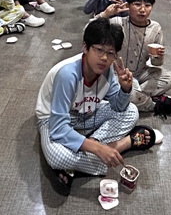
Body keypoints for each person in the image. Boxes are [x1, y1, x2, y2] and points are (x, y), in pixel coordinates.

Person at [35, 18, 155, 195]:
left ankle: (75, 164)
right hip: (52, 119)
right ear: (85, 47)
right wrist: (99, 149)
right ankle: (123, 145)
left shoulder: (107, 70)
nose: (104, 58)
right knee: (57, 157)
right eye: (99, 50)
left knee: (132, 111)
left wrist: (125, 88)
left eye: (110, 53)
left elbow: (119, 107)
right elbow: (58, 127)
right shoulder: (68, 74)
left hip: (85, 114)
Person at [99, 0, 171, 117]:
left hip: (141, 73)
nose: (142, 9)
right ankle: (154, 104)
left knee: (169, 78)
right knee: (110, 85)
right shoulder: (117, 23)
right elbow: (88, 33)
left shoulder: (155, 28)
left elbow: (156, 64)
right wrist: (105, 15)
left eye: (147, 5)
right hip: (117, 74)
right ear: (128, 6)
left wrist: (158, 57)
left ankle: (133, 97)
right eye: (137, 4)